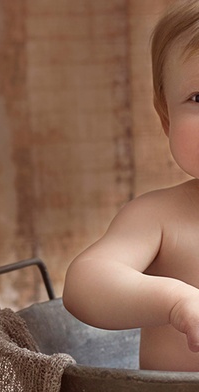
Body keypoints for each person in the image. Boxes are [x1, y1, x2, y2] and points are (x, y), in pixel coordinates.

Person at [62, 0, 199, 371]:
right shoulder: (159, 217)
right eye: (198, 98)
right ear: (166, 116)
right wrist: (175, 301)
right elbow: (86, 283)